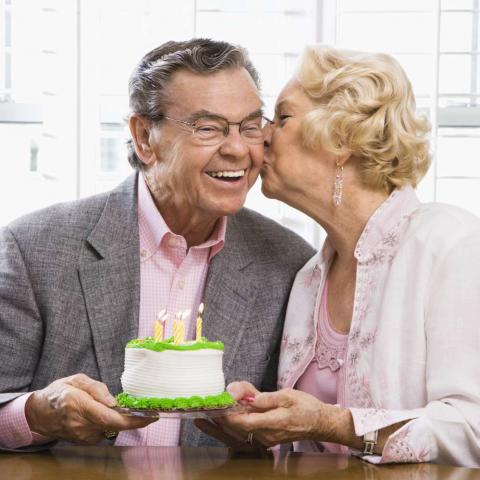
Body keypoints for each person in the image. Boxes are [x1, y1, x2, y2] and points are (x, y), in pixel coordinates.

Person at [0, 38, 315, 451]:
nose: (238, 149)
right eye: (208, 128)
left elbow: (299, 440)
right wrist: (37, 413)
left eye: (250, 126)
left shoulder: (290, 264)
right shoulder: (34, 249)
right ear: (145, 137)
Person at [197, 45, 480, 467]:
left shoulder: (452, 244)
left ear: (343, 139)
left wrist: (334, 422)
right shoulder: (308, 277)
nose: (263, 135)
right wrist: (258, 428)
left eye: (284, 116)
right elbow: (309, 447)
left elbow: (471, 430)